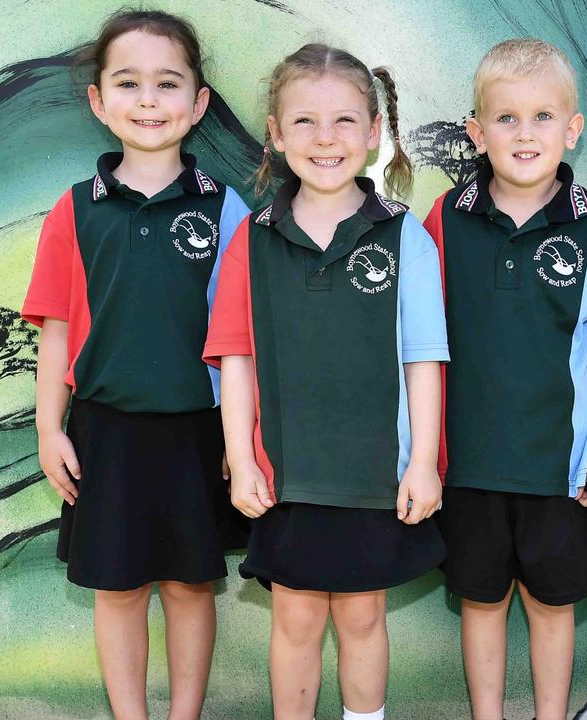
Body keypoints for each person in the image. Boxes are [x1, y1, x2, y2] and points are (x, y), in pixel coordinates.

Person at [203, 44, 447, 720]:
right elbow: (235, 357)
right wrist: (244, 457)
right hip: (288, 475)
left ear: (375, 132)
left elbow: (424, 357)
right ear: (276, 135)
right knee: (297, 621)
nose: (326, 139)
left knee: (364, 619)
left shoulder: (405, 237)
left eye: (345, 121)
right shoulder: (251, 239)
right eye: (304, 122)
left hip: (374, 475)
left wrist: (422, 462)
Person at [22, 10, 250, 720]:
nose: (148, 100)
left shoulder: (226, 208)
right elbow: (55, 330)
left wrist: (240, 442)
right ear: (98, 100)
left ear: (198, 102)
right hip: (104, 430)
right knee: (117, 588)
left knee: (188, 586)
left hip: (196, 430)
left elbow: (242, 340)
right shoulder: (73, 211)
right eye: (128, 83)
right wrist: (49, 429)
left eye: (167, 83)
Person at [421, 38, 587, 720]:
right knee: (481, 603)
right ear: (477, 132)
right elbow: (420, 348)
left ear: (573, 129)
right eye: (505, 118)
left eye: (543, 117)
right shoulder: (442, 222)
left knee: (551, 603)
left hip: (558, 468)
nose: (525, 133)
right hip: (470, 465)